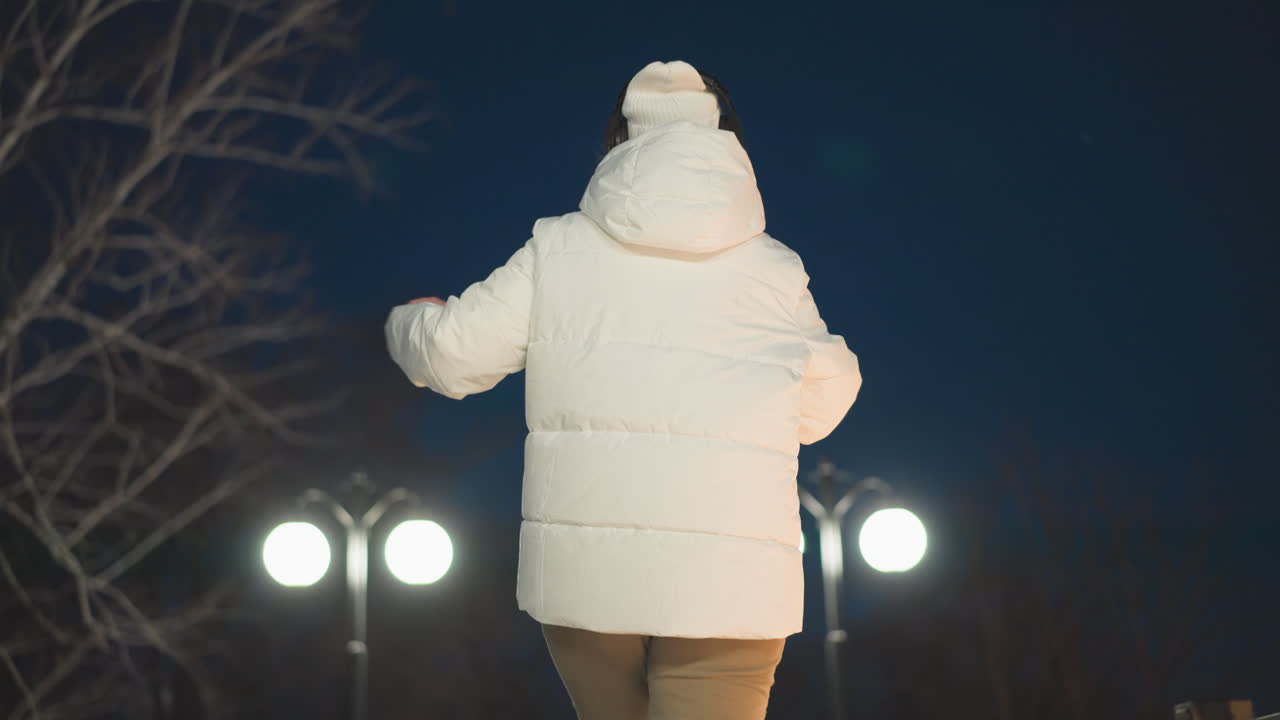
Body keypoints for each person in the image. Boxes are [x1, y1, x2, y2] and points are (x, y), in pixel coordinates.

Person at [385, 60, 862, 720]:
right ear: (729, 141)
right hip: (731, 582)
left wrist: (408, 320)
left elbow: (451, 353)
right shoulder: (773, 271)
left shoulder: (559, 250)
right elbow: (823, 401)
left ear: (618, 144)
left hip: (590, 578)